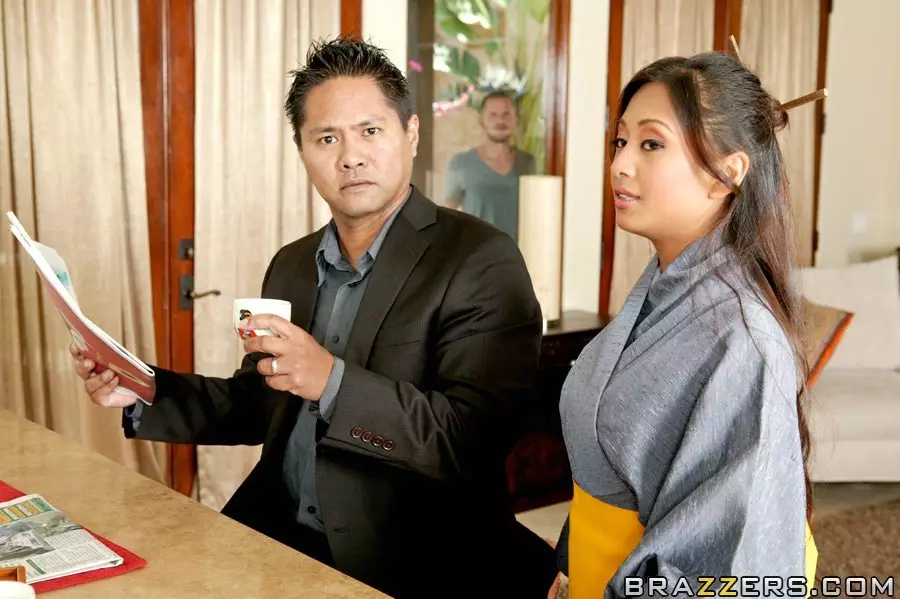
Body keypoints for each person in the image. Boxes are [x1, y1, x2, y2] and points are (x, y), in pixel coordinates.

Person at [70, 37, 557, 599]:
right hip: (277, 535)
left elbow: (469, 441)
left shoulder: (479, 258)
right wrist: (142, 388)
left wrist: (331, 381)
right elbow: (259, 404)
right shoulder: (292, 265)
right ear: (302, 151)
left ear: (411, 134)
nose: (350, 157)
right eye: (327, 138)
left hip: (410, 557)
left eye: (370, 131)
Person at [552, 52, 820, 598]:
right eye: (620, 141)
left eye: (651, 144)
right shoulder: (659, 291)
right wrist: (571, 564)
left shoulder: (742, 339)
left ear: (728, 173)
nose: (620, 164)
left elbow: (715, 561)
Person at [444, 91, 536, 242]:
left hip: (518, 253)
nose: (500, 120)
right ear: (481, 121)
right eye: (493, 115)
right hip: (476, 253)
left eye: (506, 114)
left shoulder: (528, 163)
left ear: (516, 120)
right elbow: (448, 217)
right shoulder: (461, 163)